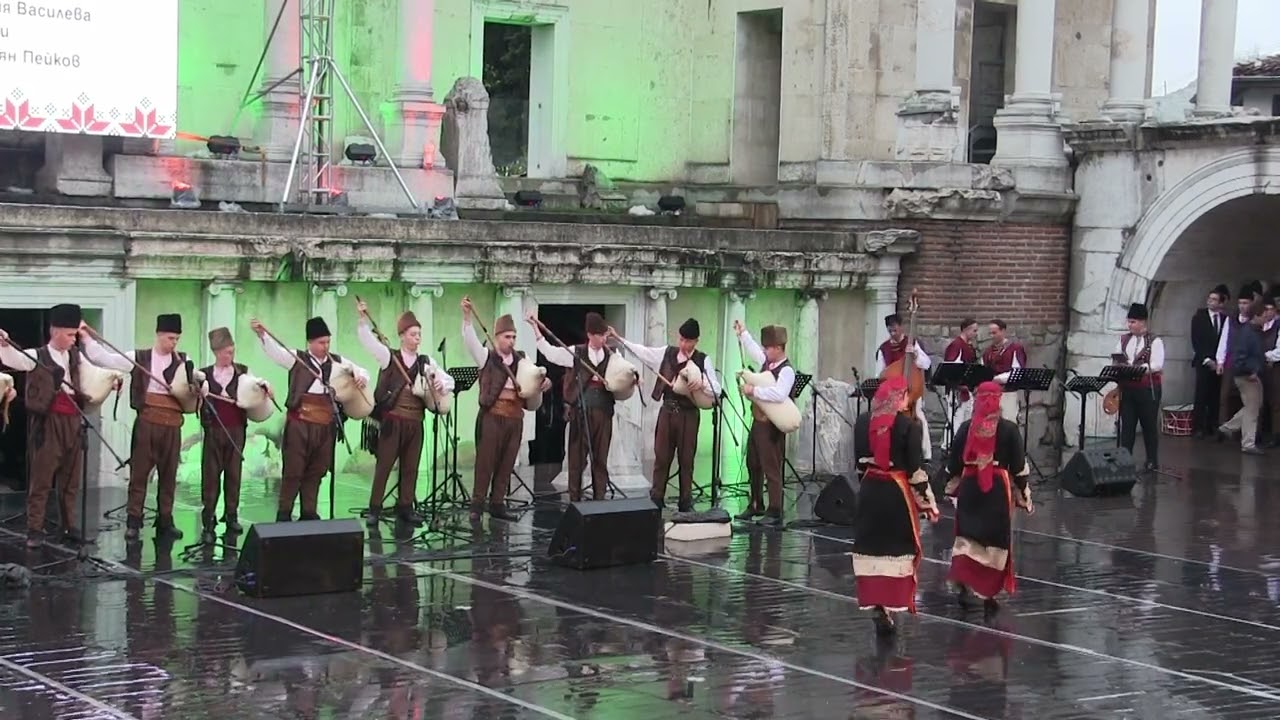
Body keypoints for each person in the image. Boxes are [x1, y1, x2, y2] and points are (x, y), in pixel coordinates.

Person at [0, 304, 106, 549]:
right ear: (55, 332)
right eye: (69, 335)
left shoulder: (75, 356)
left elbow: (93, 373)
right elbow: (14, 360)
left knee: (71, 479)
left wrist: (111, 380)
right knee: (42, 479)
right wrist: (4, 344)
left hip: (73, 421)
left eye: (74, 335)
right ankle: (35, 529)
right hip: (48, 423)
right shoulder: (37, 356)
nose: (73, 339)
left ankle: (68, 525)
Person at [82, 314, 193, 541]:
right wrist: (85, 336)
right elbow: (103, 358)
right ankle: (133, 521)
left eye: (177, 339)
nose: (174, 343)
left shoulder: (184, 361)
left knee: (168, 476)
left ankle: (165, 522)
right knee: (139, 475)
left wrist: (199, 382)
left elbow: (195, 384)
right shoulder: (139, 358)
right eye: (170, 338)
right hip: (147, 423)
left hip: (172, 426)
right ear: (159, 335)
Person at [253, 316, 370, 521]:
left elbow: (361, 370)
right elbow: (276, 353)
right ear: (310, 342)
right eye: (321, 342)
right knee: (294, 470)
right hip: (300, 423)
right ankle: (284, 513)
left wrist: (361, 377)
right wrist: (263, 335)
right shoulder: (297, 359)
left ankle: (309, 512)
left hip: (324, 425)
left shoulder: (337, 362)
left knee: (317, 470)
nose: (326, 346)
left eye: (328, 342)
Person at [851, 376, 940, 636]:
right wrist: (928, 505)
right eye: (906, 396)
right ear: (899, 397)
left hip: (870, 489)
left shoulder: (863, 422)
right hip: (896, 493)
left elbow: (859, 462)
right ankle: (890, 604)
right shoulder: (910, 426)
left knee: (872, 549)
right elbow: (915, 471)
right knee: (896, 549)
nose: (908, 401)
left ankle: (877, 604)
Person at [357, 299, 453, 526]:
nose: (417, 338)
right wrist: (362, 319)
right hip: (393, 421)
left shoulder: (425, 361)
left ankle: (405, 507)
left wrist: (441, 384)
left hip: (415, 422)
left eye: (419, 334)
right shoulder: (389, 357)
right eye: (413, 334)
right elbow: (368, 342)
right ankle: (374, 508)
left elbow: (448, 380)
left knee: (411, 467)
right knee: (384, 466)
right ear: (402, 336)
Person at [612, 318, 721, 511]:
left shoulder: (703, 360)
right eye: (681, 339)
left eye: (688, 341)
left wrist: (701, 381)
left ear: (696, 341)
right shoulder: (667, 353)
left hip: (688, 414)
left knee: (686, 460)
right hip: (667, 412)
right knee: (661, 457)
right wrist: (620, 339)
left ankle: (685, 502)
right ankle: (657, 498)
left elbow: (717, 390)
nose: (683, 344)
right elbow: (643, 352)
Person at [945, 381, 1033, 614]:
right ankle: (988, 593)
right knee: (995, 540)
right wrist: (1023, 492)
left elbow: (953, 465)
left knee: (968, 536)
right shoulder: (1009, 429)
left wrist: (951, 483)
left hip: (970, 488)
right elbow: (1018, 467)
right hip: (996, 490)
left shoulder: (965, 428)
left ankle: (964, 584)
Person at [461, 297, 551, 521]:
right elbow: (471, 341)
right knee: (485, 462)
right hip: (493, 416)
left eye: (513, 337)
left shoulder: (522, 359)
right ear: (497, 337)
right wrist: (467, 316)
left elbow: (534, 377)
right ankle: (477, 505)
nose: (511, 341)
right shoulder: (487, 357)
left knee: (507, 462)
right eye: (506, 337)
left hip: (514, 417)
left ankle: (498, 503)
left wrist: (544, 383)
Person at [530, 311, 614, 502]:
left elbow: (624, 373)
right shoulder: (576, 352)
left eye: (604, 335)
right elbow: (550, 352)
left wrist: (635, 378)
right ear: (590, 335)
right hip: (581, 412)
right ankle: (575, 500)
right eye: (599, 335)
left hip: (603, 412)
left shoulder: (611, 356)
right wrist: (535, 328)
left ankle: (600, 500)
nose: (603, 339)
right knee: (576, 459)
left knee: (600, 458)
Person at [197, 327, 267, 540]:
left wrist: (264, 387)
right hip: (213, 430)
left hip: (236, 430)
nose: (230, 355)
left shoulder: (243, 372)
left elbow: (256, 385)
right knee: (211, 475)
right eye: (227, 352)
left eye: (232, 351)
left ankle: (231, 515)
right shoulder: (204, 375)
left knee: (234, 473)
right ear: (217, 352)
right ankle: (208, 519)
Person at [733, 320, 795, 527]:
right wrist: (743, 333)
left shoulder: (786, 371)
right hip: (758, 422)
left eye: (768, 348)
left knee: (771, 467)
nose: (765, 351)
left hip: (772, 426)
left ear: (778, 348)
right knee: (753, 463)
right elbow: (753, 350)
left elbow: (779, 394)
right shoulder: (767, 363)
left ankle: (775, 509)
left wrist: (754, 391)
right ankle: (756, 503)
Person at [873, 313, 933, 460]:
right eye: (890, 331)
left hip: (912, 390)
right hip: (892, 393)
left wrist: (915, 355)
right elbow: (880, 374)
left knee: (919, 416)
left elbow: (926, 364)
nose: (893, 334)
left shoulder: (912, 343)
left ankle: (926, 454)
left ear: (901, 327)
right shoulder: (884, 349)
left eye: (895, 330)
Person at [1113, 303, 1164, 471]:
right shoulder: (1123, 339)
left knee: (1149, 426)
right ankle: (1124, 460)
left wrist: (1139, 368)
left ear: (1143, 322)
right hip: (1128, 389)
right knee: (1127, 426)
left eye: (1133, 322)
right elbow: (1117, 357)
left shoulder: (1154, 341)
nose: (1129, 325)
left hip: (1147, 389)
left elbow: (1157, 364)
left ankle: (1152, 461)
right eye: (1129, 321)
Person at [1218, 309, 1267, 455]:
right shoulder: (1247, 333)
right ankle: (1248, 443)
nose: (1266, 319)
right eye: (1264, 316)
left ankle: (1227, 428)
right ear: (1256, 315)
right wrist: (1250, 370)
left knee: (1254, 406)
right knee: (1252, 408)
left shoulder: (1254, 331)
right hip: (1246, 375)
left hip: (1250, 373)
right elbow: (1239, 356)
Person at [1215, 285, 1257, 432]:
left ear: (1251, 303)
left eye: (1245, 303)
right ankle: (1223, 428)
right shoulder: (1231, 320)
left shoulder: (1254, 321)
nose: (1242, 306)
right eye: (1240, 303)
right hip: (1230, 362)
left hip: (1247, 365)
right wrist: (1220, 361)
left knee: (1247, 400)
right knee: (1224, 397)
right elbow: (1224, 340)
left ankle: (1244, 430)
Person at [941, 318, 980, 445]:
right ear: (966, 330)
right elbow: (952, 369)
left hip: (967, 390)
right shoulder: (956, 346)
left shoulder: (968, 347)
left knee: (966, 421)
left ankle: (961, 446)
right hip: (957, 391)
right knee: (956, 420)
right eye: (974, 331)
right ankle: (951, 446)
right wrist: (959, 386)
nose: (976, 334)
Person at [982, 319, 1026, 423]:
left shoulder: (1015, 348)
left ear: (1003, 331)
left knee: (1008, 423)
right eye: (990, 333)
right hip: (990, 394)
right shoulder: (988, 351)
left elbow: (1017, 373)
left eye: (994, 333)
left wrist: (997, 379)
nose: (992, 336)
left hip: (1007, 393)